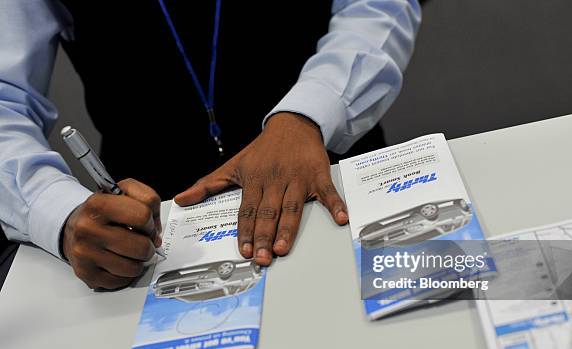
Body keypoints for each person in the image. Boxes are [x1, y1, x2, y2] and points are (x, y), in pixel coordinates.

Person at [0, 0, 421, 289]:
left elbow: (375, 6)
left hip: (330, 167)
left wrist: (310, 112)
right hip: (154, 224)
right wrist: (61, 213)